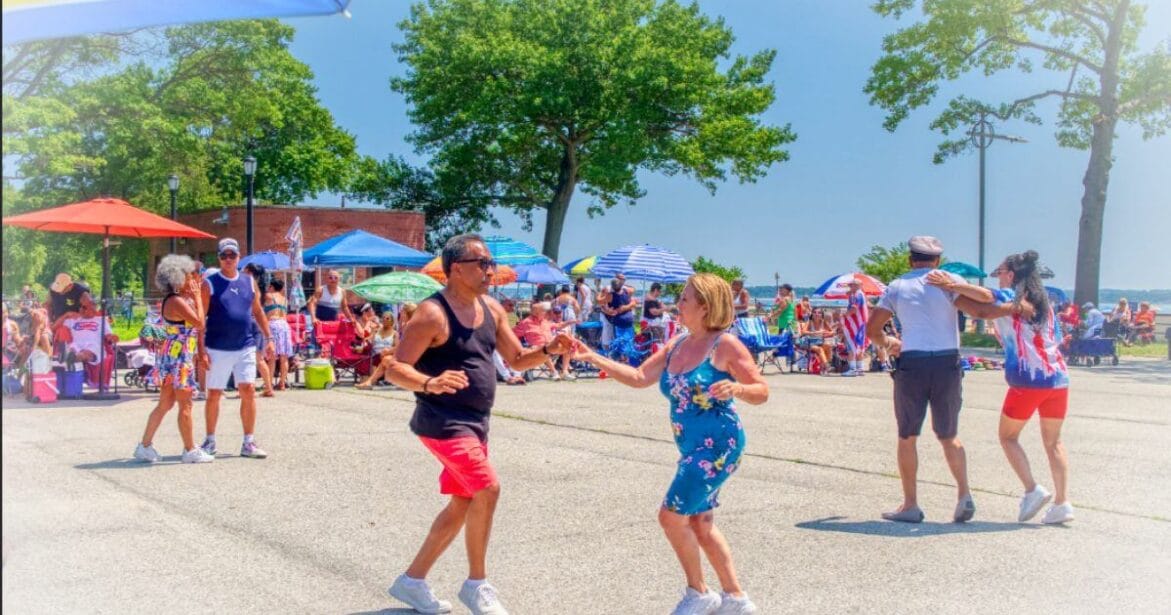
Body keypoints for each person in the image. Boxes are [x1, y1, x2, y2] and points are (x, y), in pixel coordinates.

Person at [384, 233, 574, 615]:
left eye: (490, 263)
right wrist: (428, 382)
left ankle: (412, 580)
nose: (490, 270)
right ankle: (476, 584)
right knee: (487, 488)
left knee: (464, 501)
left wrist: (550, 349)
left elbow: (518, 359)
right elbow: (393, 368)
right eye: (482, 263)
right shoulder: (432, 314)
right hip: (442, 421)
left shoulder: (492, 309)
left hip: (476, 422)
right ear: (456, 269)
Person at [570, 273, 768, 615]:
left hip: (718, 446)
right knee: (700, 523)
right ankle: (736, 599)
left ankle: (699, 593)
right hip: (692, 448)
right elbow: (638, 377)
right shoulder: (677, 343)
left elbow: (761, 391)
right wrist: (592, 357)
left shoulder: (724, 345)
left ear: (705, 307)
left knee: (671, 516)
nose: (678, 304)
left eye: (686, 299)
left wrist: (737, 389)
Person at [927, 250, 1074, 524]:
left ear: (1012, 275)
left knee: (1008, 437)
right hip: (1058, 380)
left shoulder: (1015, 297)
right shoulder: (1046, 303)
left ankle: (1032, 489)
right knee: (1054, 442)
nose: (998, 279)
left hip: (1029, 380)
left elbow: (983, 297)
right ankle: (1063, 502)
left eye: (1000, 273)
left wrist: (950, 285)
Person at [866, 235, 974, 524]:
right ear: (937, 260)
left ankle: (911, 504)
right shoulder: (948, 281)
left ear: (909, 259)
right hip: (947, 361)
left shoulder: (898, 286)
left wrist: (888, 342)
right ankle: (964, 494)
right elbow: (980, 304)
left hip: (912, 363)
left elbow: (872, 327)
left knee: (907, 436)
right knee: (949, 434)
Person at [199, 238, 275, 459]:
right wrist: (200, 349)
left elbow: (258, 311)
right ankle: (210, 440)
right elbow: (201, 319)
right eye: (224, 255)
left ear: (239, 257)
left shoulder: (248, 282)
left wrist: (269, 337)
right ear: (219, 258)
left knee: (248, 390)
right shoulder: (209, 283)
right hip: (218, 346)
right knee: (214, 393)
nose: (229, 259)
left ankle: (248, 441)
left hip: (245, 345)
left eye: (232, 255)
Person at [134, 255, 213, 464]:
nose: (192, 280)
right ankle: (190, 450)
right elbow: (199, 323)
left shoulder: (175, 300)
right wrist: (197, 296)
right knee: (185, 405)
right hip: (178, 360)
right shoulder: (176, 301)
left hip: (174, 358)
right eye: (188, 276)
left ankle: (144, 446)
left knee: (165, 404)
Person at [60, 293, 117, 378]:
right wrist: (66, 315)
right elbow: (54, 327)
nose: (83, 309)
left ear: (94, 307)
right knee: (72, 349)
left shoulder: (101, 320)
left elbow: (108, 334)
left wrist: (111, 338)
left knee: (85, 354)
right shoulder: (72, 320)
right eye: (82, 307)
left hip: (93, 346)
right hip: (76, 345)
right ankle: (70, 357)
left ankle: (71, 359)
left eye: (87, 306)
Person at [244, 263, 276, 398]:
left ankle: (266, 388)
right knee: (258, 358)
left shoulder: (248, 286)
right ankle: (268, 387)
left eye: (244, 270)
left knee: (254, 358)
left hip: (249, 322)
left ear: (250, 272)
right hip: (258, 324)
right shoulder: (263, 291)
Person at [513, 301, 562, 380]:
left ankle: (565, 371)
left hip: (550, 346)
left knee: (569, 345)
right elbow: (513, 334)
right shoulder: (526, 323)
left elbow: (558, 326)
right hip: (537, 348)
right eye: (543, 311)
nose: (545, 313)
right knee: (544, 350)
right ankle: (554, 372)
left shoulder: (545, 321)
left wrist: (570, 322)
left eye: (544, 311)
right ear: (535, 312)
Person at [357, 308, 398, 390]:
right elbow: (368, 340)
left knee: (381, 357)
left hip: (386, 354)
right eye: (383, 318)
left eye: (387, 318)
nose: (384, 320)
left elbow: (397, 347)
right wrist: (363, 345)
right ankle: (374, 379)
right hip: (375, 354)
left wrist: (387, 352)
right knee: (375, 357)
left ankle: (372, 380)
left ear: (392, 321)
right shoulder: (376, 331)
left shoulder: (394, 333)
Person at [264, 279, 293, 390]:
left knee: (272, 356)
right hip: (284, 325)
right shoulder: (285, 299)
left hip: (273, 324)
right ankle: (282, 383)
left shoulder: (269, 296)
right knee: (284, 356)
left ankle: (269, 383)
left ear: (271, 286)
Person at [840, 279, 870, 376]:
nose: (851, 287)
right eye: (850, 285)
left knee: (852, 345)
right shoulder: (862, 295)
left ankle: (853, 369)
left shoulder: (856, 295)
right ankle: (860, 368)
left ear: (859, 285)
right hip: (862, 323)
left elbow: (854, 308)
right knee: (859, 346)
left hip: (856, 324)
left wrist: (844, 315)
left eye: (853, 285)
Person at [799, 309, 835, 376]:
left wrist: (826, 333)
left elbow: (832, 332)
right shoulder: (809, 322)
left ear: (822, 315)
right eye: (815, 312)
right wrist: (814, 332)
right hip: (810, 343)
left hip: (820, 342)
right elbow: (803, 332)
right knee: (820, 349)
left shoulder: (823, 322)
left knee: (828, 346)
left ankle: (825, 367)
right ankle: (827, 367)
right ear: (812, 314)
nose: (817, 314)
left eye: (819, 313)